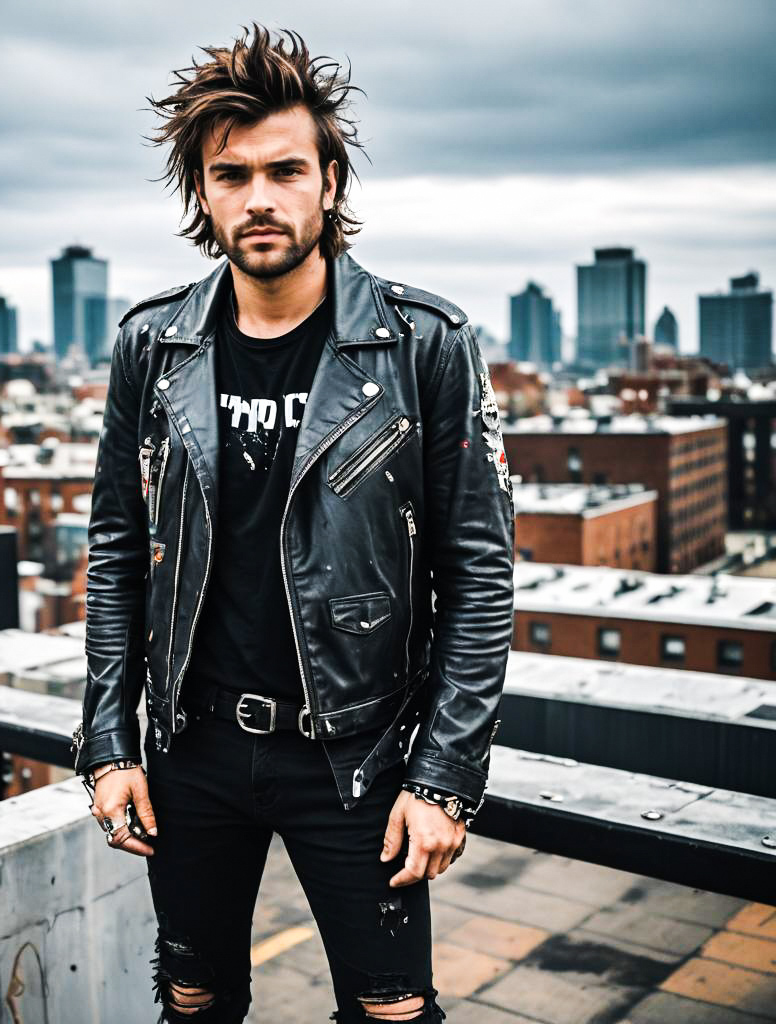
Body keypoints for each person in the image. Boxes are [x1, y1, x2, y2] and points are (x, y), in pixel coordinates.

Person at [71, 23, 515, 1023]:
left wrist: (443, 777)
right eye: (231, 175)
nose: (258, 197)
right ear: (202, 192)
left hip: (357, 753)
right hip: (192, 751)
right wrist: (109, 746)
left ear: (328, 181)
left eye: (283, 169)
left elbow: (479, 575)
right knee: (191, 997)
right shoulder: (154, 344)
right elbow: (114, 553)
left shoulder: (421, 345)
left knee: (394, 1011)